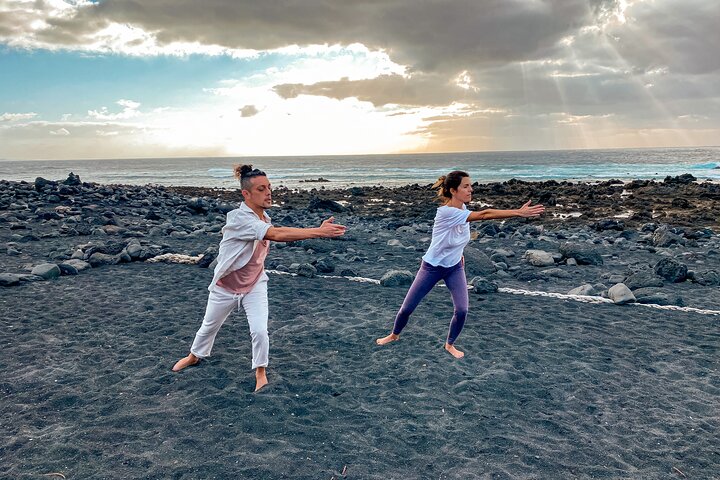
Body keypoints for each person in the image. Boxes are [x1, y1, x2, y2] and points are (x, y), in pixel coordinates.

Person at [172, 164, 346, 391]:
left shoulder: (263, 217)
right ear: (246, 194)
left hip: (254, 284)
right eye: (261, 189)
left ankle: (260, 371)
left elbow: (274, 231)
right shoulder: (239, 218)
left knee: (259, 330)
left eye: (269, 187)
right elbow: (276, 234)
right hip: (226, 287)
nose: (268, 193)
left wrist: (316, 230)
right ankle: (194, 356)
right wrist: (318, 231)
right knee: (208, 327)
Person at [376, 170, 544, 358]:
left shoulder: (463, 209)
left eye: (470, 186)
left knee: (462, 310)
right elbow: (484, 214)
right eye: (466, 186)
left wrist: (458, 253)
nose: (471, 190)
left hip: (454, 268)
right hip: (431, 268)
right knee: (407, 308)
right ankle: (394, 335)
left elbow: (456, 236)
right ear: (453, 190)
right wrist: (518, 212)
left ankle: (449, 345)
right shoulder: (446, 212)